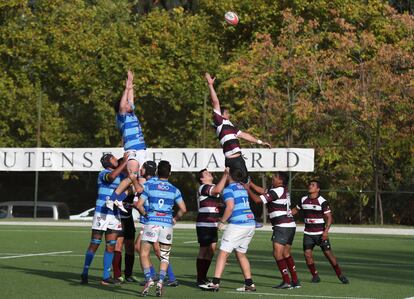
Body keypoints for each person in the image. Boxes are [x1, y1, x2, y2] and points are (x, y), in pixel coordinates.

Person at [204, 73, 271, 184]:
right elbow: (215, 102)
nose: (229, 114)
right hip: (234, 160)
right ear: (222, 114)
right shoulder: (220, 121)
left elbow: (244, 135)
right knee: (243, 184)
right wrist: (210, 85)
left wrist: (260, 142)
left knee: (239, 185)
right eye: (227, 112)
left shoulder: (231, 127)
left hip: (237, 160)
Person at [199, 168, 256, 292]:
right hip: (250, 223)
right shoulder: (242, 187)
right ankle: (249, 284)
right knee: (241, 254)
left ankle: (215, 283)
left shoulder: (229, 189)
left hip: (238, 224)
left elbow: (230, 207)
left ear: (229, 175)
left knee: (223, 253)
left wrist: (222, 222)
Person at [136, 160, 187, 297]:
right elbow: (183, 209)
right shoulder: (174, 189)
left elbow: (139, 205)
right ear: (169, 173)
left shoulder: (150, 187)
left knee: (143, 253)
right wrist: (175, 219)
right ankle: (160, 282)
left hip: (152, 222)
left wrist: (146, 215)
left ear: (157, 172)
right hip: (167, 225)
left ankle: (149, 280)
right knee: (164, 256)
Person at [244, 172, 301, 289]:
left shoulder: (277, 191)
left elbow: (257, 200)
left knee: (277, 254)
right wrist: (251, 184)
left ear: (280, 181)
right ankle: (295, 280)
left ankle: (286, 281)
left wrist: (247, 189)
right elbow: (264, 190)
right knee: (286, 253)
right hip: (289, 225)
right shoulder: (280, 189)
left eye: (275, 177)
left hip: (282, 226)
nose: (272, 178)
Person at [80, 153, 128, 285]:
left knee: (110, 246)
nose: (115, 159)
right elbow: (112, 177)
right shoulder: (103, 173)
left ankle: (106, 277)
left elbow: (129, 186)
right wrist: (124, 162)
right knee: (94, 243)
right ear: (108, 162)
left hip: (114, 214)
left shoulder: (122, 175)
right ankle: (85, 272)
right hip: (102, 213)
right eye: (112, 158)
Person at [291, 180, 349, 284]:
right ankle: (315, 275)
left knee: (329, 255)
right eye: (310, 184)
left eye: (313, 185)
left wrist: (326, 232)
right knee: (307, 254)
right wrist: (285, 215)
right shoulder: (303, 199)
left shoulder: (322, 201)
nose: (310, 186)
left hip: (320, 234)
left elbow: (329, 217)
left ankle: (340, 274)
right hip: (308, 233)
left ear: (317, 189)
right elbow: (295, 210)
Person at [108, 70, 147, 210]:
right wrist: (126, 88)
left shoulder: (132, 114)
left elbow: (130, 99)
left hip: (141, 150)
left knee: (142, 182)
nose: (130, 105)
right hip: (132, 149)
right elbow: (123, 104)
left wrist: (130, 84)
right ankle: (112, 198)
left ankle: (119, 199)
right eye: (127, 104)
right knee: (132, 176)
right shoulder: (122, 117)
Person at [195, 167, 229, 286]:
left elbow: (218, 191)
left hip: (213, 222)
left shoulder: (212, 187)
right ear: (202, 179)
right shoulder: (203, 187)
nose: (209, 173)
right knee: (204, 250)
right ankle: (200, 278)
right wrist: (225, 174)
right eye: (206, 173)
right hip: (204, 223)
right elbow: (218, 189)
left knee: (211, 250)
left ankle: (204, 277)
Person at [112, 158, 138, 283]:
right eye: (128, 167)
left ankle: (128, 275)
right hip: (118, 217)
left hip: (128, 218)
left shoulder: (134, 180)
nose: (131, 169)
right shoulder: (118, 180)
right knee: (118, 245)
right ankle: (117, 275)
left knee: (130, 246)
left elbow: (137, 191)